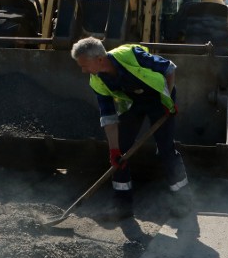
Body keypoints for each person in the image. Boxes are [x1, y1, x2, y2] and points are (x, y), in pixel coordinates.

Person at [71, 37, 189, 220]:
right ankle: (122, 205)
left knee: (165, 149)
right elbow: (108, 118)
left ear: (99, 59)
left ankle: (183, 200)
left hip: (159, 99)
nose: (82, 70)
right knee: (121, 153)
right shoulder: (97, 81)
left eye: (84, 65)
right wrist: (114, 150)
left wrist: (168, 101)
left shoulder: (130, 55)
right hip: (134, 103)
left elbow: (169, 68)